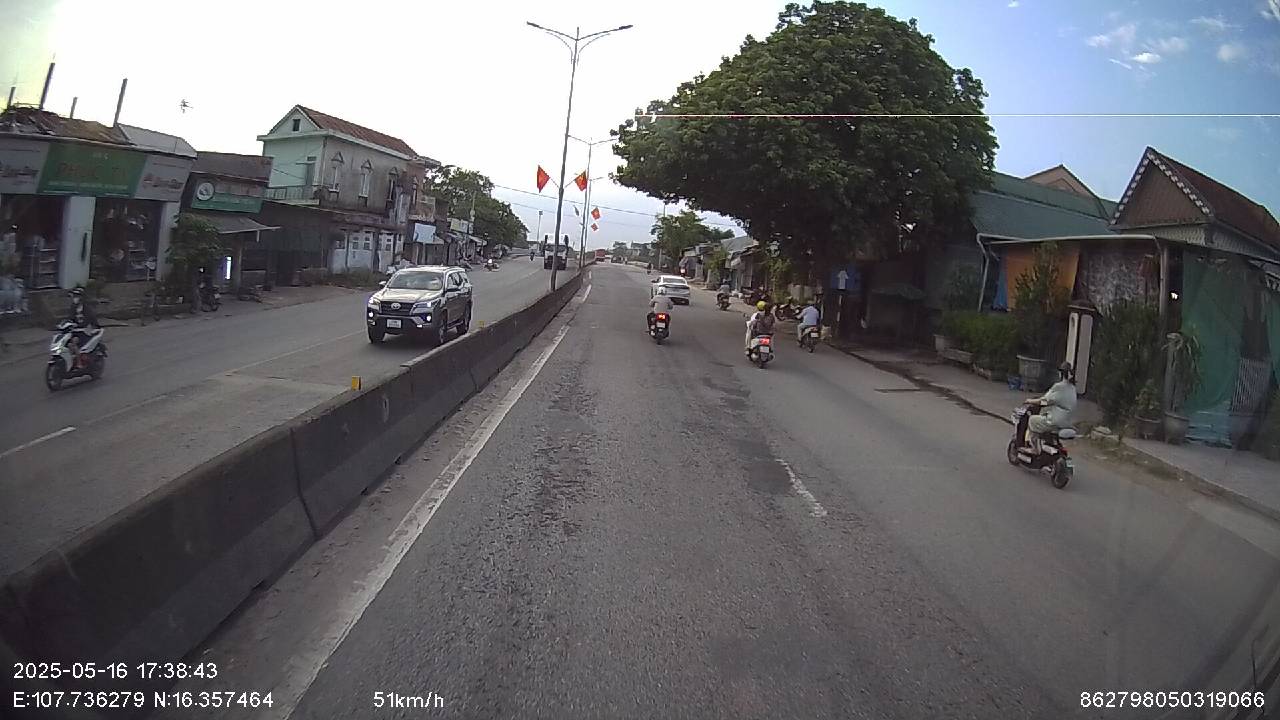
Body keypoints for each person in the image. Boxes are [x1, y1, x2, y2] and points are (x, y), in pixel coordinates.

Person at [1026, 362, 1078, 448]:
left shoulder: (1059, 387)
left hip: (1055, 421)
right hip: (1067, 423)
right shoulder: (1073, 388)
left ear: (1060, 374)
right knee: (1044, 418)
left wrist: (1031, 401)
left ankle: (1034, 447)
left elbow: (1045, 401)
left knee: (1032, 420)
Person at [64, 286, 100, 364]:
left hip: (84, 331)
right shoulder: (73, 307)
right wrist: (66, 324)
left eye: (77, 296)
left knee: (74, 342)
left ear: (81, 298)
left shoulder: (86, 308)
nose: (75, 298)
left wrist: (95, 327)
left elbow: (91, 318)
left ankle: (79, 363)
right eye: (74, 296)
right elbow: (70, 318)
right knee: (66, 343)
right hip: (74, 331)